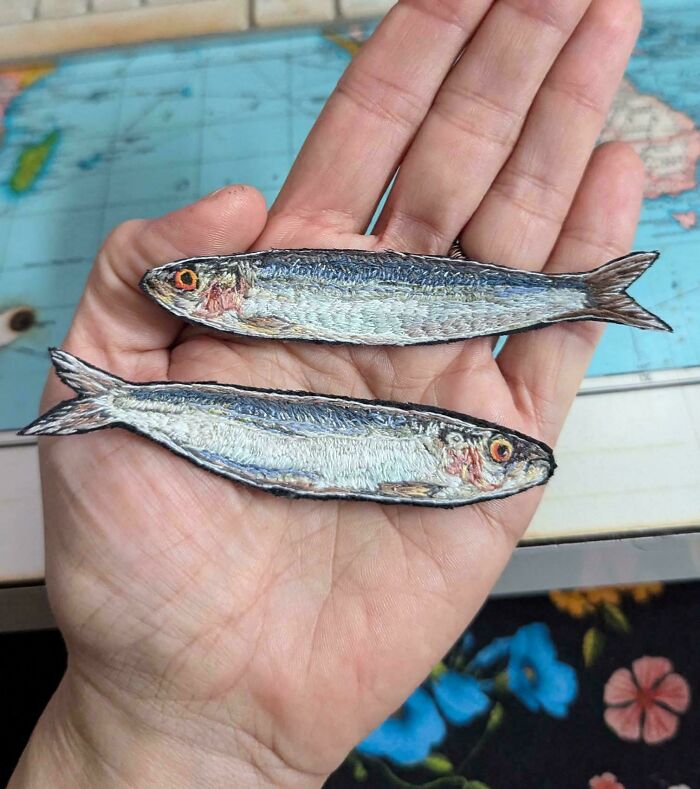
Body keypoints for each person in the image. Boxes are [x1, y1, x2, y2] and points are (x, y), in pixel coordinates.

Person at [9, 0, 644, 785]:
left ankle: (586, 292)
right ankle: (112, 399)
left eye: (189, 280)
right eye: (185, 280)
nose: (176, 286)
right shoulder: (252, 298)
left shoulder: (273, 303)